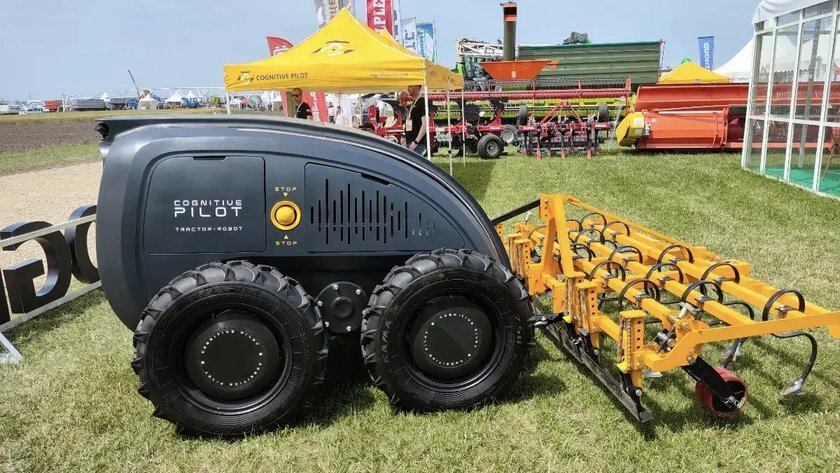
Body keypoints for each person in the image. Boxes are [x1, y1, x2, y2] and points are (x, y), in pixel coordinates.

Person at [404, 84, 429, 156]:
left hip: (416, 144)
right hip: (410, 142)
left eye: (410, 86)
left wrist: (416, 142)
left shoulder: (422, 102)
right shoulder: (414, 102)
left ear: (417, 87)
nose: (408, 89)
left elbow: (425, 124)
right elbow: (410, 122)